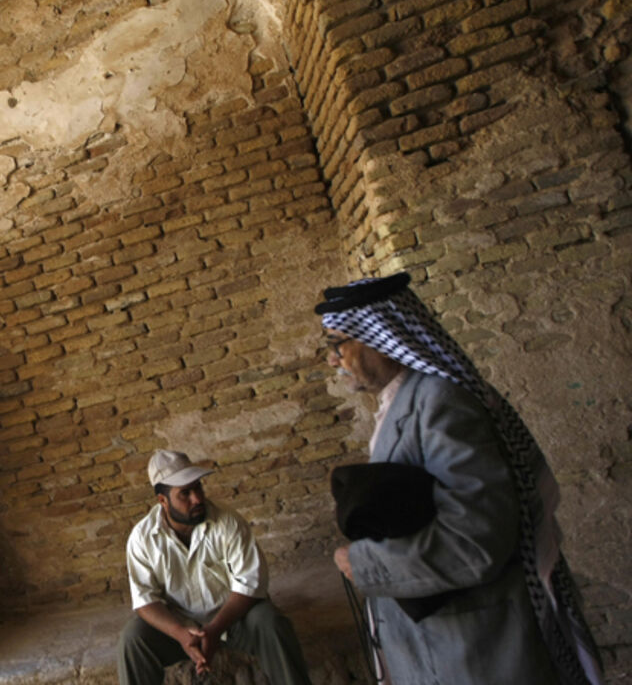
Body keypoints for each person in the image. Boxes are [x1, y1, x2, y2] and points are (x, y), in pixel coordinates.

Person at [317, 272, 604, 685]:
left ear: (381, 337)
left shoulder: (440, 403)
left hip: (476, 650)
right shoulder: (402, 401)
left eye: (338, 344)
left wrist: (366, 564)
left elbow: (475, 540)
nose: (333, 360)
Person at [119, 449, 312, 685]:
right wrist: (180, 634)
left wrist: (214, 629)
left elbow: (250, 582)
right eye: (185, 493)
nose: (197, 499)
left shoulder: (228, 521)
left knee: (271, 622)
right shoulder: (142, 538)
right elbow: (144, 600)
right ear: (163, 501)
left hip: (234, 621)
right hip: (181, 629)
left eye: (198, 488)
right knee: (133, 638)